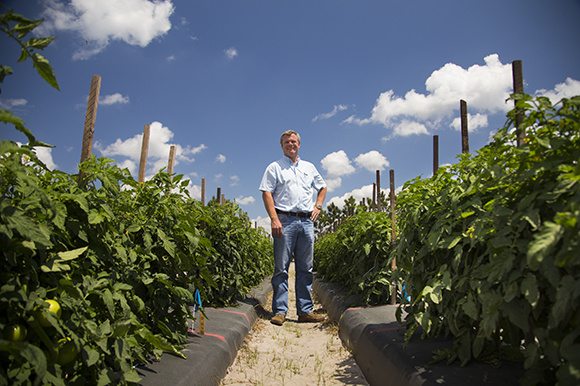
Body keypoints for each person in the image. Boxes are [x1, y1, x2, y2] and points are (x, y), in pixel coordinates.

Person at [259, 130, 327, 326]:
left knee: (306, 267)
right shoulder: (275, 167)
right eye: (287, 142)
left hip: (306, 222)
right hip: (284, 220)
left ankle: (305, 311)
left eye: (294, 141)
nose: (291, 144)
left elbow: (322, 187)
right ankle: (280, 311)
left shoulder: (309, 167)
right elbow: (267, 193)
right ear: (282, 146)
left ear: (299, 144)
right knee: (281, 267)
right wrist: (274, 219)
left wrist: (318, 206)